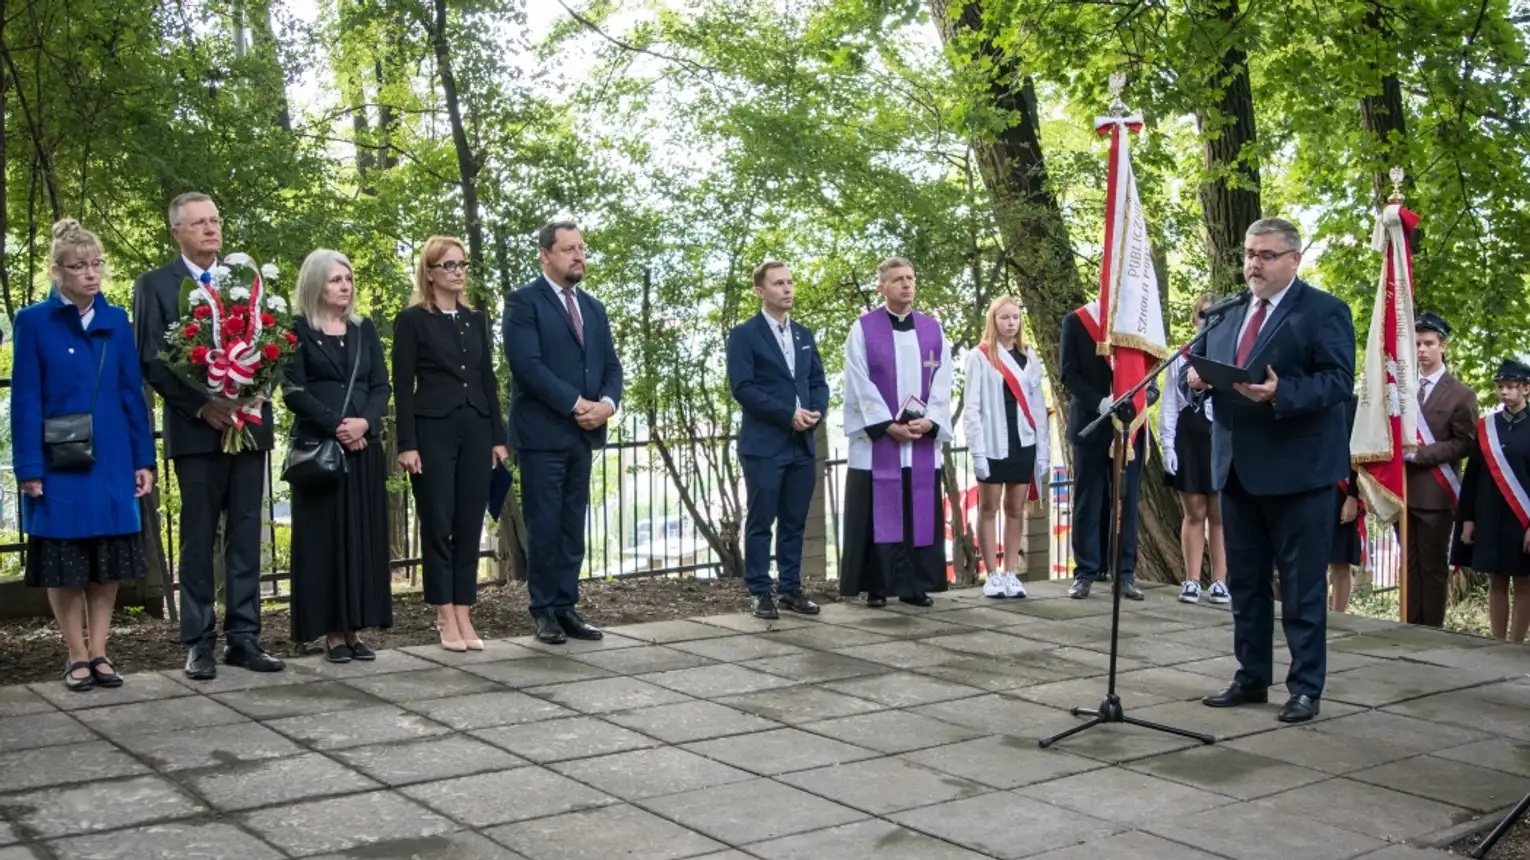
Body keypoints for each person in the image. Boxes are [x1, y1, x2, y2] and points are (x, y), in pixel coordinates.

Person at [1190, 217, 1356, 724]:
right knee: (1246, 583)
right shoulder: (1228, 314)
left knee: (1302, 586)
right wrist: (1198, 380)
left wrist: (1282, 392)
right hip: (1237, 468)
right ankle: (1251, 676)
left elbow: (1337, 383)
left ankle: (1305, 687)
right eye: (1248, 254)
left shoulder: (1324, 311)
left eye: (1265, 255)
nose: (1253, 265)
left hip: (1298, 470)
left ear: (1293, 260)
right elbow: (1207, 371)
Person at [133, 192, 282, 679]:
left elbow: (274, 343)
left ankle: (245, 637)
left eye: (215, 220)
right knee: (199, 539)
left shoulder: (247, 281)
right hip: (198, 433)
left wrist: (256, 393)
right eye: (199, 223)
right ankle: (199, 641)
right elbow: (154, 360)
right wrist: (202, 406)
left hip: (249, 427)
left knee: (244, 536)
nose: (210, 230)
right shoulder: (156, 285)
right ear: (176, 230)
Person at [12, 220, 156, 691]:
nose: (91, 274)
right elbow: (26, 398)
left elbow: (132, 394)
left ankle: (101, 652)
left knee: (108, 561)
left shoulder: (115, 320)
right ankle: (75, 654)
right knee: (65, 560)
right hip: (59, 459)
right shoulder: (33, 321)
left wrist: (143, 459)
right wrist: (29, 467)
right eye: (79, 267)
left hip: (113, 458)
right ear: (57, 272)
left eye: (96, 265)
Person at [505, 222, 623, 644]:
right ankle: (544, 611)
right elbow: (528, 367)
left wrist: (607, 405)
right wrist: (577, 405)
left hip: (583, 435)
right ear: (545, 255)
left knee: (573, 524)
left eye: (582, 249)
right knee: (545, 525)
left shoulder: (593, 308)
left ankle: (567, 605)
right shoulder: (523, 303)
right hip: (542, 434)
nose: (578, 256)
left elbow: (611, 366)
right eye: (569, 249)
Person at [393, 236, 509, 652]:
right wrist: (407, 444)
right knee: (439, 523)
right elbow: (402, 386)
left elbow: (487, 378)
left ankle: (464, 607)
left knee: (468, 522)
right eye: (449, 265)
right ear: (430, 272)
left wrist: (498, 436)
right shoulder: (412, 321)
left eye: (462, 264)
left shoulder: (475, 319)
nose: (458, 272)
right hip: (433, 430)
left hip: (476, 427)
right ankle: (443, 611)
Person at [282, 249, 393, 662]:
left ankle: (356, 628)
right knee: (325, 540)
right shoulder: (297, 330)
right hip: (321, 452)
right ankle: (331, 631)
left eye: (347, 278)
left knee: (360, 539)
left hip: (364, 447)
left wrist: (364, 423)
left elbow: (381, 386)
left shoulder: (364, 330)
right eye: (334, 280)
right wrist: (337, 426)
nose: (344, 286)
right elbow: (293, 390)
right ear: (315, 284)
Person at [839, 257, 954, 608]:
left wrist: (930, 421)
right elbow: (857, 381)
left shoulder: (932, 329)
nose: (907, 284)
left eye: (910, 278)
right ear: (882, 287)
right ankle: (877, 584)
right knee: (879, 511)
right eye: (898, 279)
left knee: (916, 510)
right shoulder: (863, 329)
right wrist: (886, 425)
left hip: (918, 443)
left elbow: (943, 382)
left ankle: (913, 585)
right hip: (879, 445)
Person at [726, 261, 829, 620]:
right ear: (760, 291)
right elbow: (744, 388)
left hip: (802, 443)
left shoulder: (803, 334)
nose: (787, 289)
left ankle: (790, 587)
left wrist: (816, 411)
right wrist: (787, 414)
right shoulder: (745, 335)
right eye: (778, 284)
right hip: (764, 444)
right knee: (761, 519)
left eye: (790, 282)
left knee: (794, 519)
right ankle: (759, 590)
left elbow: (817, 380)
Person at [1060, 298, 1158, 601]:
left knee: (1127, 501)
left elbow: (1151, 378)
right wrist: (1101, 402)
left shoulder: (1138, 324)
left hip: (1129, 425)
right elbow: (1069, 374)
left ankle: (1125, 573)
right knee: (1089, 499)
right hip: (1092, 421)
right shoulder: (1076, 321)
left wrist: (1144, 400)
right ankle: (1086, 572)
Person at [962, 297, 1049, 599]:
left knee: (1015, 509)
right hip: (993, 442)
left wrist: (1043, 451)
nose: (1011, 323)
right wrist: (977, 452)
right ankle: (992, 574)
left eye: (1015, 317)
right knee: (989, 508)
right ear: (993, 320)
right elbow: (971, 408)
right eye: (1005, 317)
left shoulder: (1030, 356)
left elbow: (1038, 408)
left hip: (1023, 441)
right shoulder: (980, 357)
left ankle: (1011, 572)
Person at [1402, 313, 1477, 627]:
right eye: (1417, 343)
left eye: (1428, 343)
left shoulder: (1461, 394)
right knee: (1409, 565)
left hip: (1436, 493)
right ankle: (1408, 625)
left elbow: (1465, 443)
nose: (1421, 350)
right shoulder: (1403, 391)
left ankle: (1430, 631)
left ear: (1442, 346)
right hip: (1404, 491)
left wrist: (1420, 454)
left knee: (1433, 567)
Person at [1452, 360, 1530, 643]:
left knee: (1523, 582)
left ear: (1526, 389)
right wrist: (1468, 520)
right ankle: (1497, 642)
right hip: (1490, 515)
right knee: (1496, 579)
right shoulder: (1487, 427)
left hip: (1522, 519)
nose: (1505, 392)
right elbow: (1472, 478)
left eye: (1511, 387)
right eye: (1501, 387)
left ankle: (1516, 642)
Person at [1160, 294, 1228, 605]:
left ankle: (1220, 581)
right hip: (1189, 437)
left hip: (1219, 436)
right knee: (1194, 512)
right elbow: (1170, 406)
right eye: (1203, 315)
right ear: (1194, 318)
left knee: (1219, 513)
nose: (1208, 321)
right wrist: (1168, 445)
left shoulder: (1228, 354)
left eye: (1214, 316)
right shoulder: (1179, 357)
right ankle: (1190, 580)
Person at [1330, 394, 1363, 612]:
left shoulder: (1356, 405)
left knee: (1340, 560)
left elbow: (1360, 454)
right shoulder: (1307, 399)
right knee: (1311, 560)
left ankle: (1338, 617)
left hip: (1342, 492)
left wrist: (1353, 496)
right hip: (1310, 488)